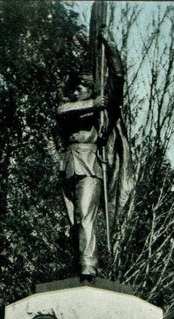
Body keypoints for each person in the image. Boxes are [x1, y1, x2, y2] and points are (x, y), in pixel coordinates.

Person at [56, 26, 133, 281]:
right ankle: (78, 263)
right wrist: (91, 103)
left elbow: (119, 76)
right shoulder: (77, 108)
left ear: (90, 88)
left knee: (85, 215)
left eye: (80, 89)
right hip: (69, 166)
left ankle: (88, 265)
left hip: (90, 165)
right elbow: (61, 110)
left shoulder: (104, 111)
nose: (75, 92)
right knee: (74, 221)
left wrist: (109, 44)